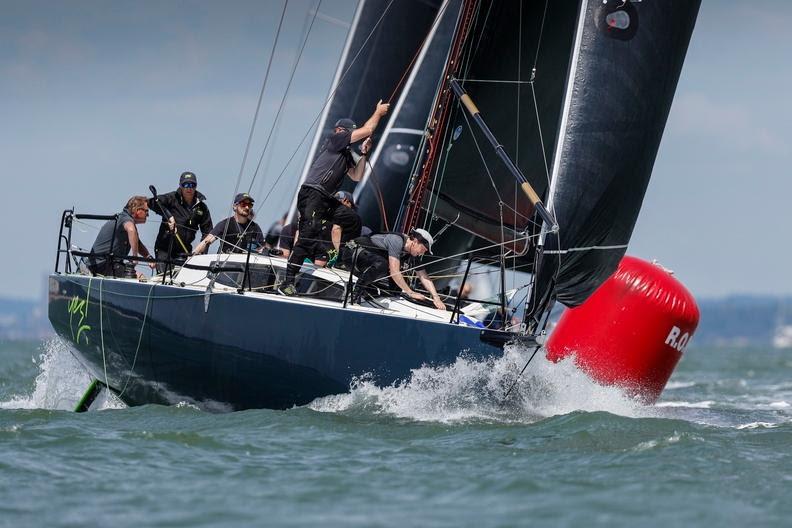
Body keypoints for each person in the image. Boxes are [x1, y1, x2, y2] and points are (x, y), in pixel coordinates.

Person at [279, 99, 390, 296]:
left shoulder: (346, 154)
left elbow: (357, 176)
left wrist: (364, 154)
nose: (348, 135)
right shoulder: (335, 139)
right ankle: (287, 282)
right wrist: (378, 113)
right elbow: (368, 129)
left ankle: (342, 256)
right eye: (347, 132)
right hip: (312, 193)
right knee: (308, 234)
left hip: (325, 198)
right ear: (340, 130)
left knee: (352, 219)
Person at [339, 228, 446, 310]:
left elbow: (424, 276)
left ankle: (385, 294)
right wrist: (411, 292)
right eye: (424, 249)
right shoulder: (397, 240)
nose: (423, 253)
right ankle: (353, 293)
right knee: (386, 265)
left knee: (396, 280)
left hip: (366, 259)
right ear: (416, 241)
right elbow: (394, 272)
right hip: (351, 253)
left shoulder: (412, 252)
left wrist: (436, 297)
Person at [148, 171, 213, 272]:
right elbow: (151, 203)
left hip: (185, 251)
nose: (189, 188)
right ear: (180, 186)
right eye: (186, 185)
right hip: (165, 250)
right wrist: (169, 216)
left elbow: (208, 232)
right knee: (164, 278)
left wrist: (201, 251)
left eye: (192, 185)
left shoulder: (202, 207)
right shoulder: (172, 198)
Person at [88, 196, 155, 277]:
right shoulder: (125, 219)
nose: (148, 215)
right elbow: (131, 230)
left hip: (110, 264)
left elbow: (137, 243)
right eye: (146, 211)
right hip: (102, 264)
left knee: (136, 275)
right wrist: (135, 257)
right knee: (140, 277)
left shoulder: (126, 219)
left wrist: (148, 257)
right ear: (137, 210)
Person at [193, 193, 264, 254]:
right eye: (243, 204)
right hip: (225, 265)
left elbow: (262, 248)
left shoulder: (255, 227)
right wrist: (193, 254)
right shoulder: (225, 224)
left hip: (246, 265)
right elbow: (207, 241)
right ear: (235, 206)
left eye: (250, 205)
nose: (247, 207)